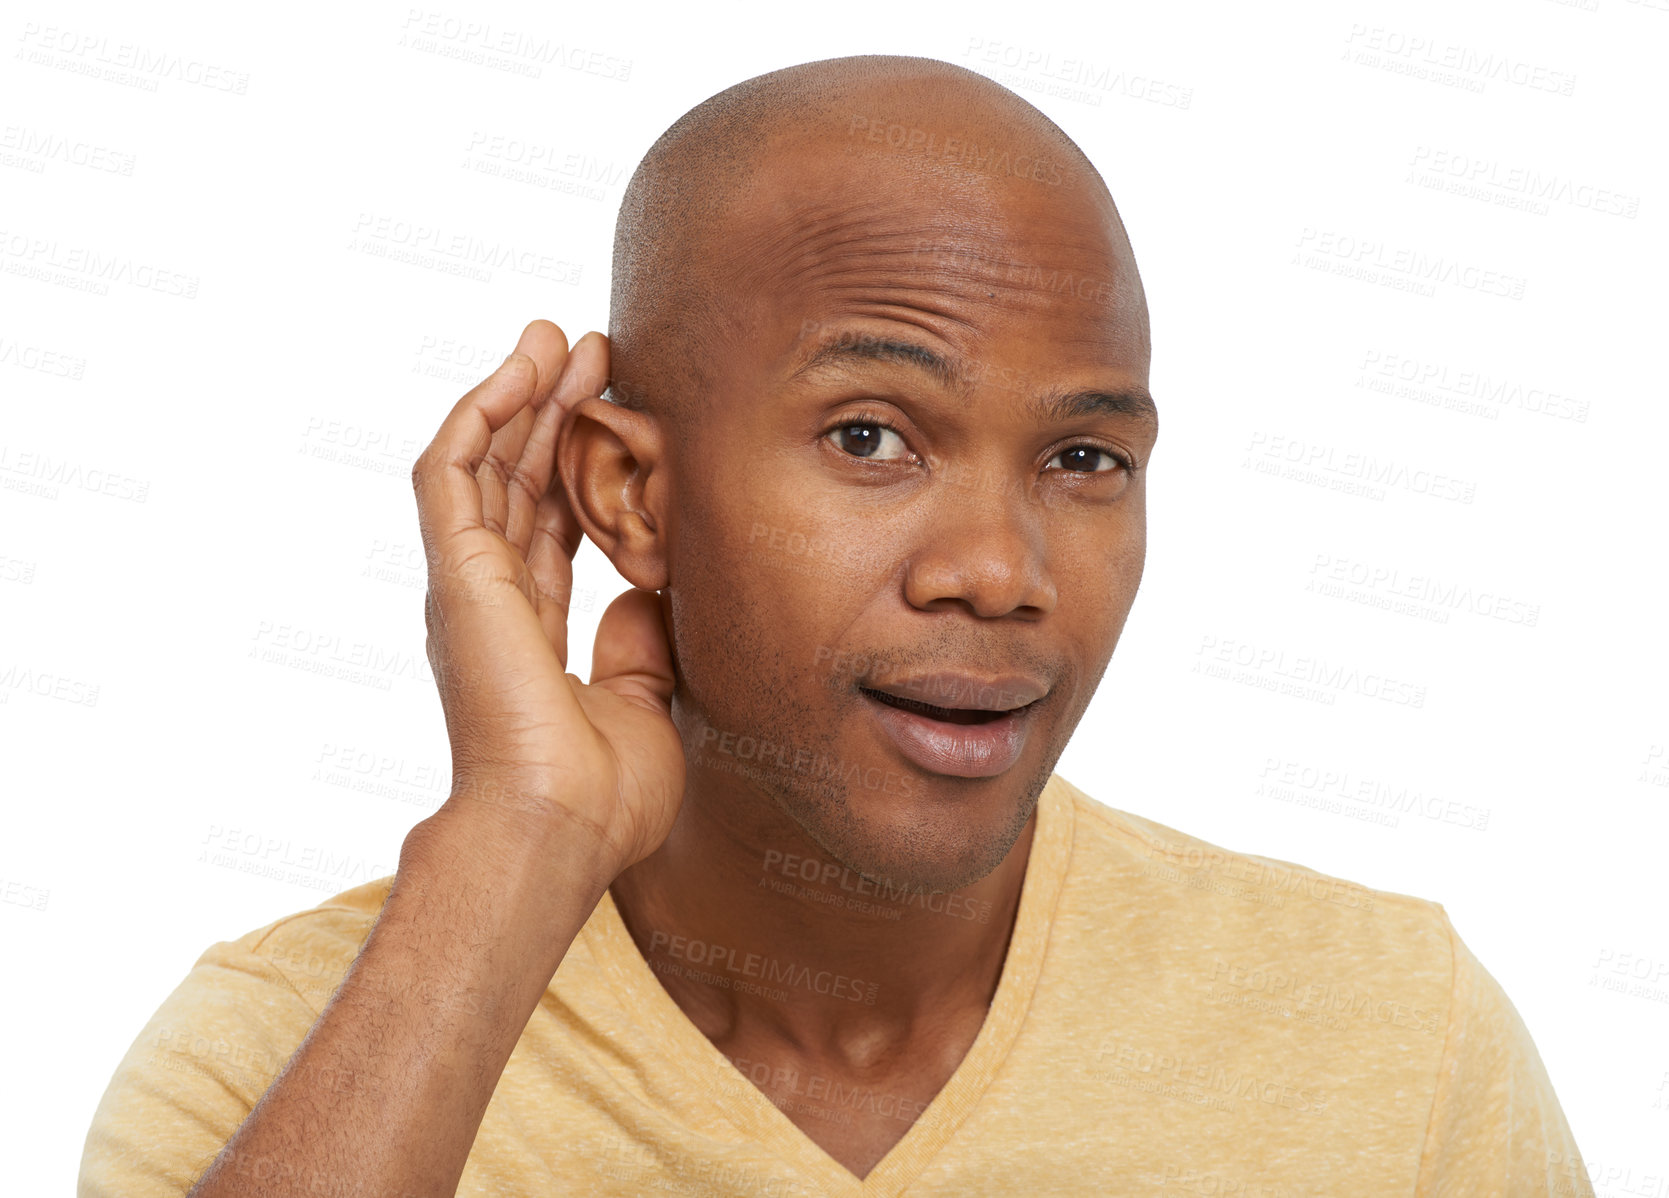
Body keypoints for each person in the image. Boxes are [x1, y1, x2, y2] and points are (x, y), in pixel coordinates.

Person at [79, 54, 1592, 1197]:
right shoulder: (278, 1062)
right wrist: (511, 845)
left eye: (1082, 459)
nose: (999, 570)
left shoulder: (1393, 1042)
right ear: (629, 494)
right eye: (872, 436)